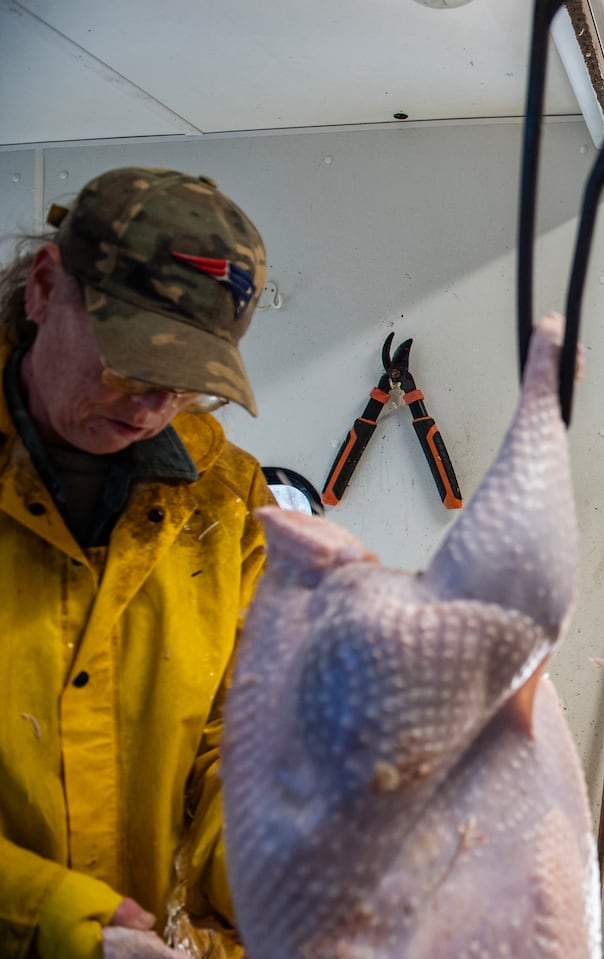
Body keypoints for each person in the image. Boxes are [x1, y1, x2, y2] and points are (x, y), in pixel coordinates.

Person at [0, 167, 273, 958]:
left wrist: (281, 881)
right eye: (131, 362)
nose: (152, 407)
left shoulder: (227, 503)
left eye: (188, 384)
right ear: (47, 286)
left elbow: (239, 741)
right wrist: (53, 917)